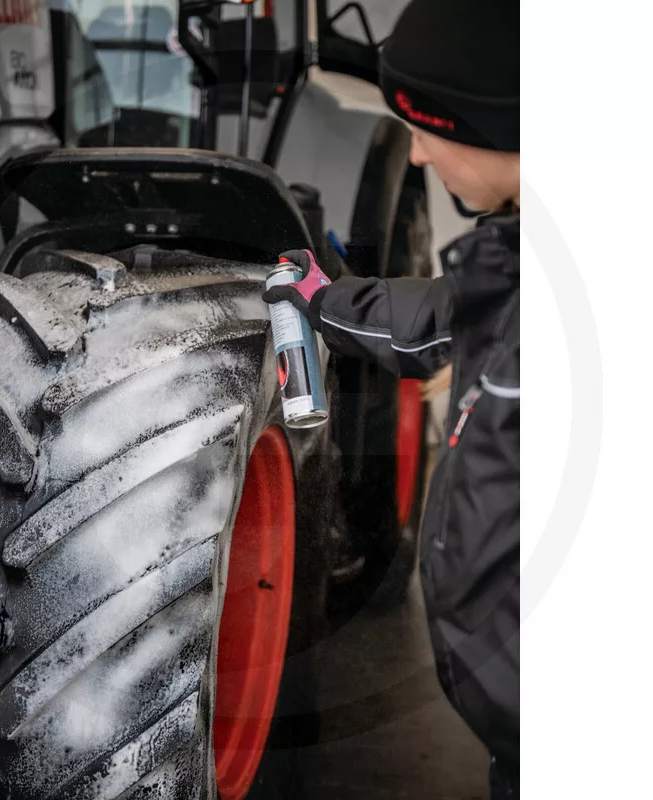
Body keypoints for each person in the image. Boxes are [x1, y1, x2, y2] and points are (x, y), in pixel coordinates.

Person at [262, 0, 520, 796]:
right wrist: (328, 301)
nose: (415, 154)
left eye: (425, 126)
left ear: (490, 119)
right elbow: (448, 316)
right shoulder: (525, 270)